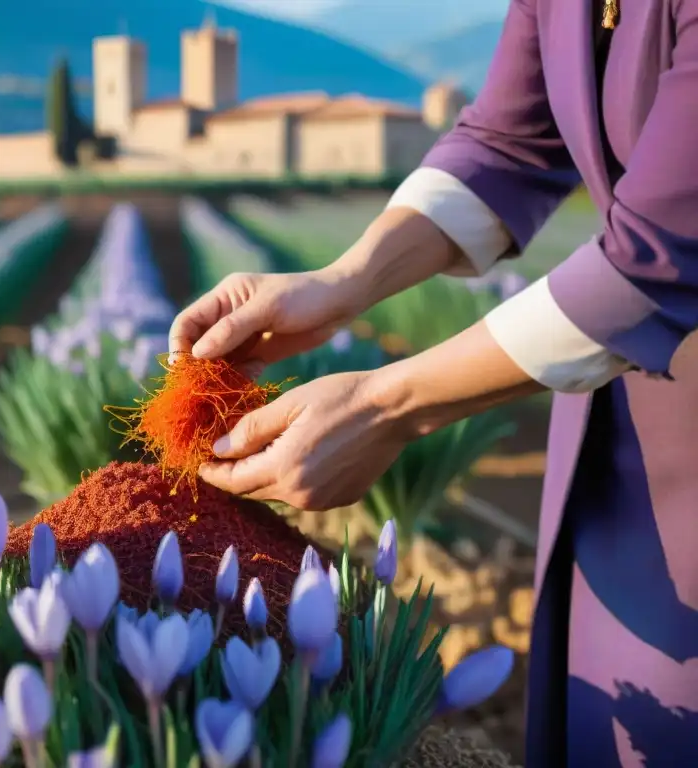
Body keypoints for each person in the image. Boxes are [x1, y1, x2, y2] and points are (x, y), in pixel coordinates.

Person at [167, 0, 698, 765]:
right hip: (616, 413)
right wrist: (342, 281)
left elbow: (657, 259)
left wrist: (388, 406)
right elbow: (510, 141)